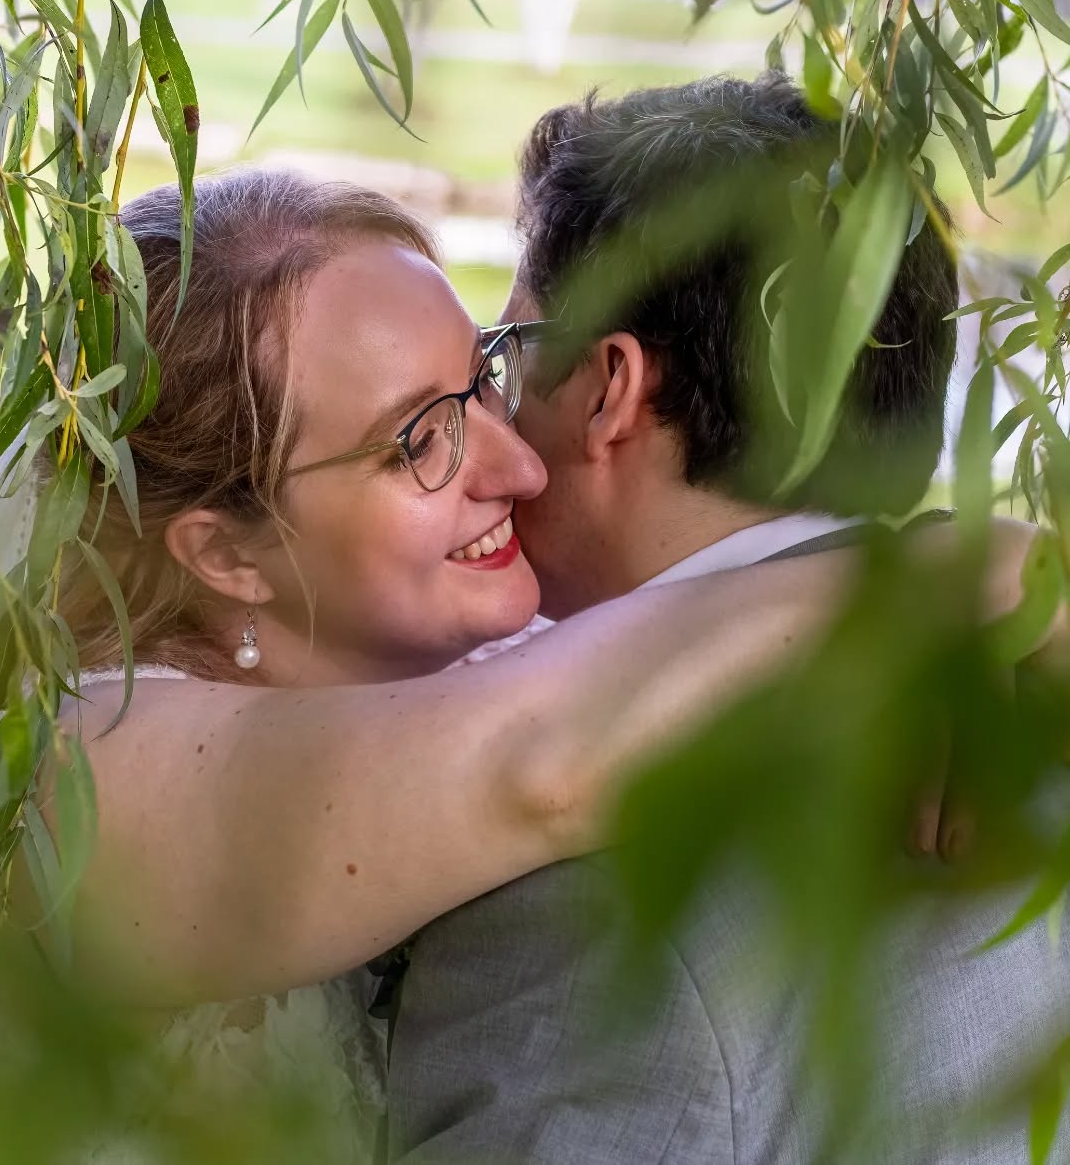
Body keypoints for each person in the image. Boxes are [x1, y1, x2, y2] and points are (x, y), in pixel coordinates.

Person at [41, 168, 963, 1079]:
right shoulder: (75, 778)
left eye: (481, 382)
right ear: (226, 553)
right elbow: (539, 766)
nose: (520, 466)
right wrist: (950, 575)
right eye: (421, 443)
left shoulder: (496, 654)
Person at [382, 75, 1070, 1163]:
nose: (493, 424)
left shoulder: (597, 893)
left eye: (509, 358)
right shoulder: (1029, 725)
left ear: (609, 387)